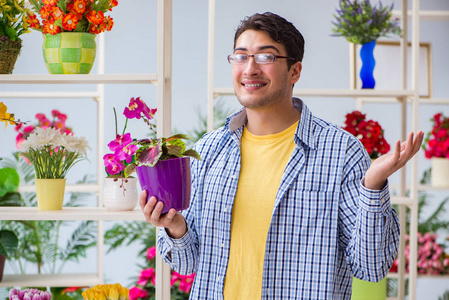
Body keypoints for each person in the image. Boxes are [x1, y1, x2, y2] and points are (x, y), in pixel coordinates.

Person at [140, 12, 424, 300]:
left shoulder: (341, 152)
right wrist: (175, 228)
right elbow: (187, 263)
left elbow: (371, 267)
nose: (249, 69)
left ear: (294, 72)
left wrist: (373, 185)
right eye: (240, 56)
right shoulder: (209, 150)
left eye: (266, 57)